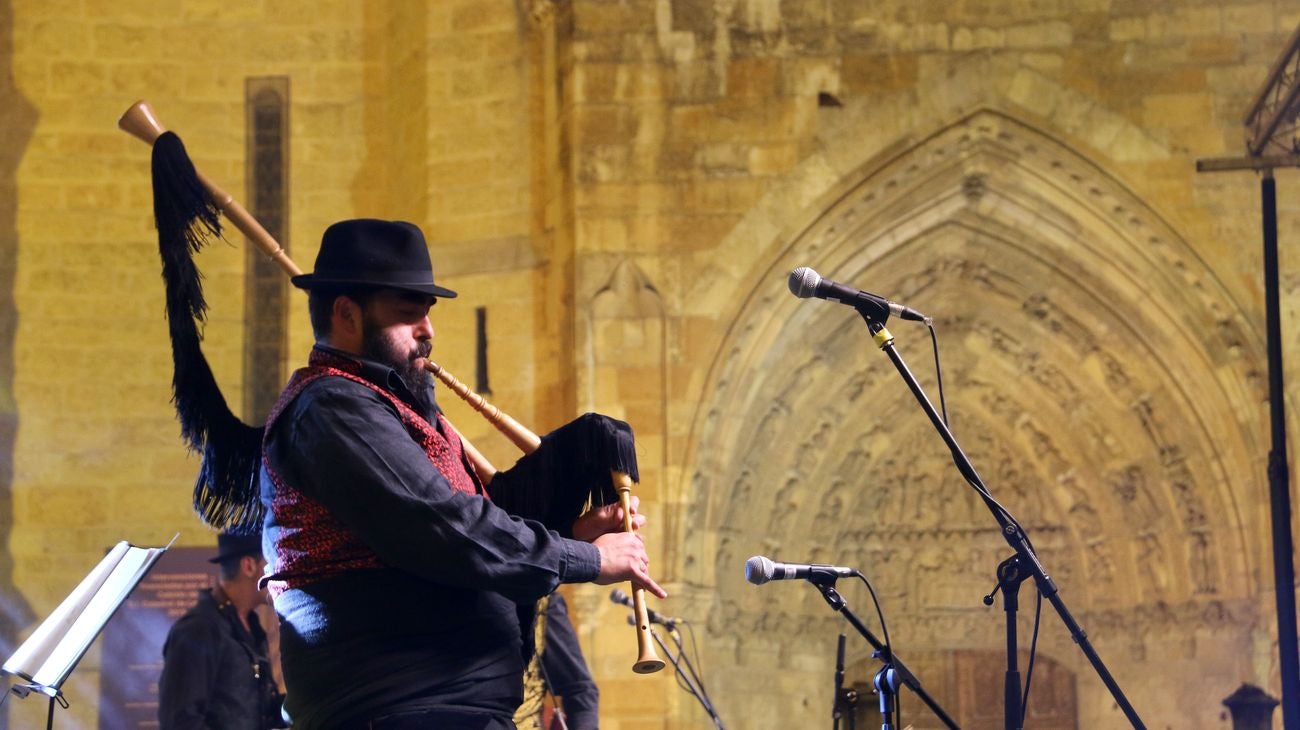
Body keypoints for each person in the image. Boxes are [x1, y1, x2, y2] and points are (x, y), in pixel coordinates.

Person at [259, 219, 665, 729]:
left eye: (427, 314)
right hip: (397, 708)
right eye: (408, 315)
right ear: (346, 314)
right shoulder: (330, 406)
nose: (428, 331)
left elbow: (463, 535)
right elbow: (445, 528)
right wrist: (585, 557)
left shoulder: (387, 405)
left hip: (442, 707)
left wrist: (572, 532)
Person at [158, 530, 288, 729]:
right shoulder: (198, 629)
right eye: (272, 563)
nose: (280, 574)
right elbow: (180, 722)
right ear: (249, 566)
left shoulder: (250, 626)